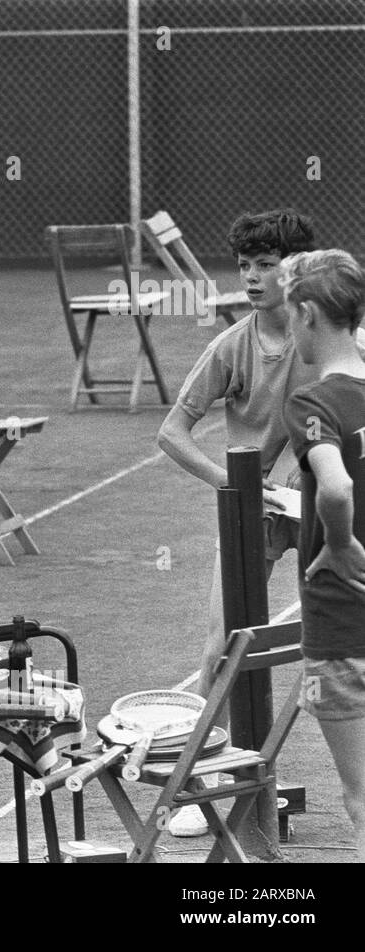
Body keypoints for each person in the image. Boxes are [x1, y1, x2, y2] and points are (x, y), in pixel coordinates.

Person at [156, 209, 315, 836]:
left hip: (319, 508)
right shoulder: (230, 346)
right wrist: (237, 484)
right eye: (244, 265)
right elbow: (171, 434)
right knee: (219, 646)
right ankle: (206, 782)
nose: (251, 277)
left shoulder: (329, 340)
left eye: (266, 264)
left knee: (341, 641)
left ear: (296, 269)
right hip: (249, 510)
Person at [281, 249, 365, 861]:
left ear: (308, 314)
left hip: (341, 623)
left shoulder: (313, 402)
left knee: (362, 800)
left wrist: (337, 544)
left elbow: (334, 486)